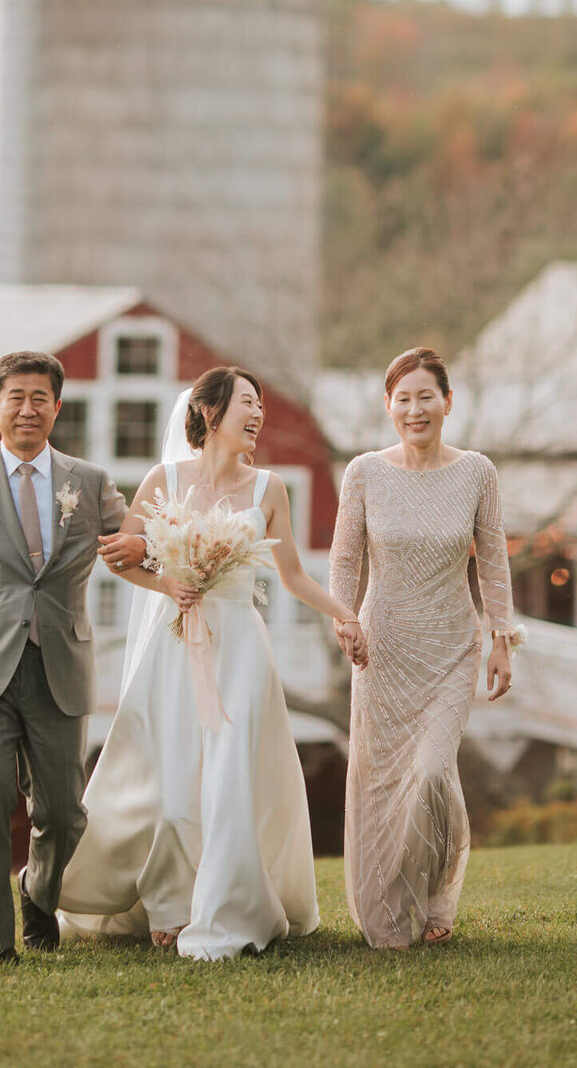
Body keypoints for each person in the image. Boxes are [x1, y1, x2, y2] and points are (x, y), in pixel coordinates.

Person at [58, 365, 367, 960]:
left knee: (230, 779)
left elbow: (294, 576)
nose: (257, 415)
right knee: (174, 786)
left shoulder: (269, 488)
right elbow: (120, 558)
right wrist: (166, 583)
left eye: (261, 406)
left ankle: (228, 906)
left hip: (242, 651)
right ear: (208, 412)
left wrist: (346, 616)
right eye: (246, 403)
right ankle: (171, 902)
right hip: (176, 647)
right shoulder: (163, 479)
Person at [0, 350, 148, 967]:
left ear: (57, 407)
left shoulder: (89, 482)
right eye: (15, 397)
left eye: (39, 397)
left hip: (60, 667)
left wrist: (149, 541)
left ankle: (37, 891)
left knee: (65, 814)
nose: (27, 409)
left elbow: (131, 547)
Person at [329, 345, 516, 949]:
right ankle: (387, 908)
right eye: (403, 399)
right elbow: (345, 558)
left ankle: (437, 894)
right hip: (381, 648)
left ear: (448, 401)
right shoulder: (364, 472)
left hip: (450, 649)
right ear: (389, 407)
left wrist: (501, 639)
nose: (415, 408)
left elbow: (493, 562)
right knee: (384, 783)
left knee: (433, 772)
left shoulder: (477, 473)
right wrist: (343, 618)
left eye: (425, 396)